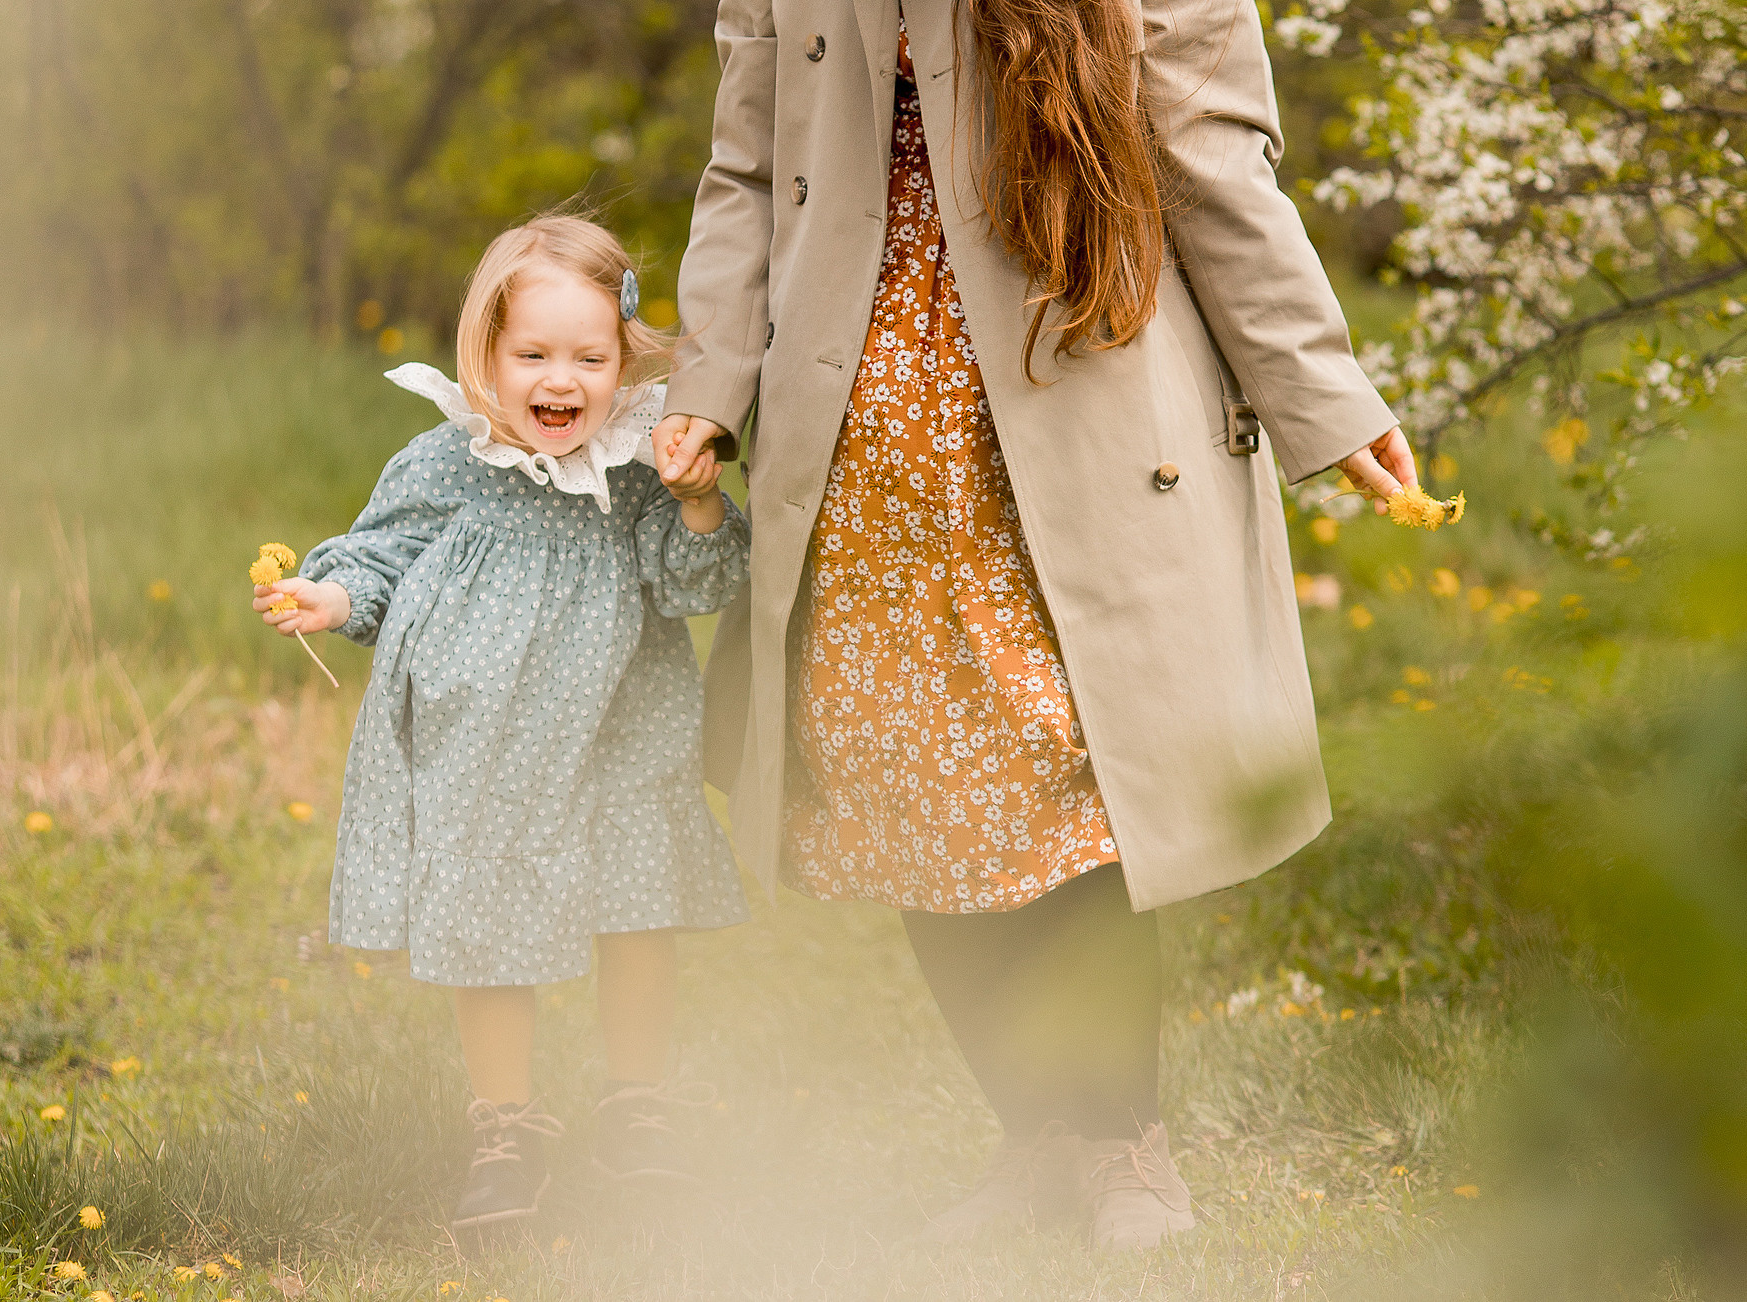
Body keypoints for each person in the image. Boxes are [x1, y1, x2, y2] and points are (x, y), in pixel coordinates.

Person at [653, 0, 1417, 1249]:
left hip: (1074, 413)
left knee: (1075, 784)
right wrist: (711, 381)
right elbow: (743, 174)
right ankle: (1034, 1135)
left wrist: (1327, 398)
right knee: (917, 792)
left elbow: (1217, 166)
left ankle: (1124, 1143)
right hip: (863, 446)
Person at [254, 214, 748, 1231]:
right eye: (532, 354)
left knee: (637, 904)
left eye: (588, 357)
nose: (559, 381)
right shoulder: (447, 461)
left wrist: (700, 504)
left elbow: (697, 582)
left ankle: (636, 1105)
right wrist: (333, 598)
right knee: (489, 925)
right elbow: (382, 556)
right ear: (487, 352)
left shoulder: (640, 466)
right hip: (485, 749)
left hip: (623, 728)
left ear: (625, 358)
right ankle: (506, 1125)